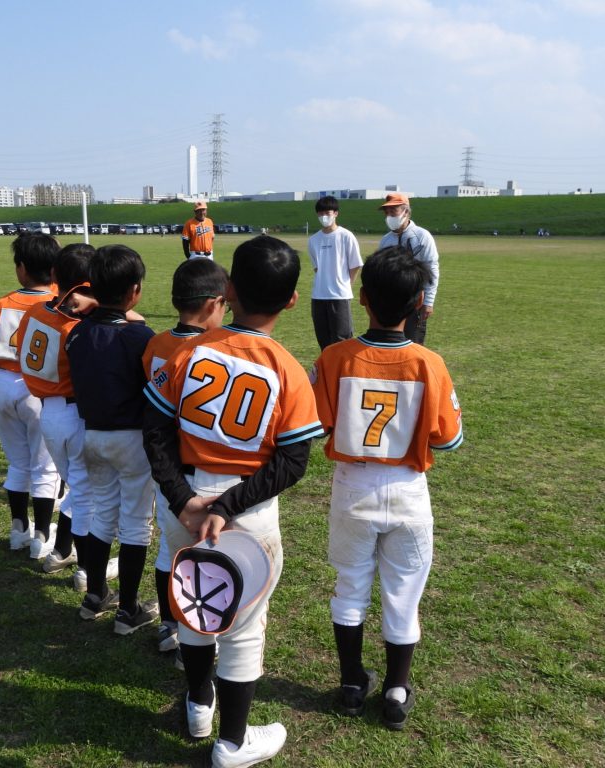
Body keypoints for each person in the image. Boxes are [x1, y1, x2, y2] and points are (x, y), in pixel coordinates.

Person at [143, 235, 324, 768]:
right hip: (249, 510)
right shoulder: (288, 369)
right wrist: (226, 507)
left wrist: (184, 500)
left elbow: (155, 433)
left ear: (229, 288)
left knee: (193, 604)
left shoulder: (188, 351)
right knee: (243, 625)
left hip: (185, 499)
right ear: (292, 300)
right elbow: (292, 461)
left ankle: (199, 704)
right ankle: (232, 742)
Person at [310, 245, 463, 731]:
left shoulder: (334, 357)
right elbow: (449, 439)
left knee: (350, 587)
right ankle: (396, 690)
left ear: (362, 297)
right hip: (407, 487)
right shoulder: (429, 362)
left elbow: (316, 425)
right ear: (418, 302)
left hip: (352, 486)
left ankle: (352, 683)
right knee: (403, 593)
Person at [68, 245, 159, 636]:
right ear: (134, 291)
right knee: (136, 523)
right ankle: (128, 610)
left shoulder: (77, 332)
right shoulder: (141, 336)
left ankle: (95, 595)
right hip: (131, 437)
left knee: (103, 513)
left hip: (92, 434)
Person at [141, 257, 229, 657]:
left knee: (169, 549)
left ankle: (169, 625)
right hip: (200, 461)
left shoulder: (157, 343)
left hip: (165, 464)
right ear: (213, 304)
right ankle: (202, 632)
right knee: (208, 554)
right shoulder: (216, 348)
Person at [15, 242, 100, 578]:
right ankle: (87, 573)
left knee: (77, 488)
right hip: (74, 413)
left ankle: (62, 550)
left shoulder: (35, 312)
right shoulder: (78, 325)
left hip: (48, 411)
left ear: (54, 274)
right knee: (87, 495)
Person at [0, 234, 61, 553]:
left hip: (5, 383)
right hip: (40, 387)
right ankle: (42, 537)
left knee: (18, 463)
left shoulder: (1, 304)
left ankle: (18, 529)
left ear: (21, 268)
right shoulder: (59, 303)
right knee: (45, 467)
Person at [378, 193, 439, 344]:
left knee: (413, 343)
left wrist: (428, 301)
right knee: (389, 343)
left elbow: (431, 268)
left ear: (406, 211)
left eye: (394, 210)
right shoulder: (385, 240)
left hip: (415, 301)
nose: (389, 215)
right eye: (387, 212)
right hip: (390, 302)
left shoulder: (422, 236)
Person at [307, 196, 363, 350]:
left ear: (336, 213)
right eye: (321, 213)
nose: (324, 216)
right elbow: (317, 268)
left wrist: (346, 285)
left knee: (341, 340)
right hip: (318, 296)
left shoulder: (346, 236)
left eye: (328, 213)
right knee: (323, 340)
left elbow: (355, 265)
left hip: (339, 296)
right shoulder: (313, 240)